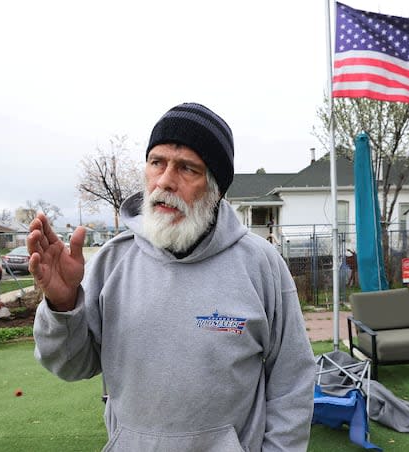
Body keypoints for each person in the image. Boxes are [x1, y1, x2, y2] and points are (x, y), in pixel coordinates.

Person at [29, 102, 315, 451]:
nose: (165, 181)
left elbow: (293, 381)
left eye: (187, 168)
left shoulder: (260, 264)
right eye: (157, 162)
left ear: (215, 188)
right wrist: (62, 304)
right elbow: (70, 366)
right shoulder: (113, 261)